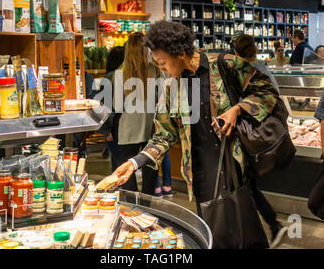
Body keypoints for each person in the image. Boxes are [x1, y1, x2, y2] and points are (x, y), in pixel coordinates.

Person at [111, 20, 279, 247]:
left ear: (180, 53)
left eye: (162, 63)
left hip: (233, 167)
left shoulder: (225, 64)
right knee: (213, 233)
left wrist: (236, 110)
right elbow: (164, 134)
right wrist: (134, 163)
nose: (160, 69)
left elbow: (267, 90)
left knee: (244, 234)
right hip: (199, 173)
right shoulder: (171, 85)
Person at [231, 34, 288, 248]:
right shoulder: (263, 67)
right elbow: (276, 94)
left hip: (248, 137)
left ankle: (268, 227)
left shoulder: (239, 71)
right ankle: (269, 226)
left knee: (246, 185)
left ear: (236, 52)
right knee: (248, 185)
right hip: (262, 136)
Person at [114, 32, 161, 195]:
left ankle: (131, 209)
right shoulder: (155, 71)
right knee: (150, 169)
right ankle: (148, 206)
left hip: (128, 129)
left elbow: (117, 106)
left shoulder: (120, 72)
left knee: (127, 172)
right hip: (151, 127)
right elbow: (162, 100)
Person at [98, 46, 125, 172]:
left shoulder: (110, 77)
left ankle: (120, 188)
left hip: (114, 125)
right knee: (120, 160)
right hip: (124, 125)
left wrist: (106, 129)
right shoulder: (127, 76)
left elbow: (104, 106)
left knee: (118, 161)